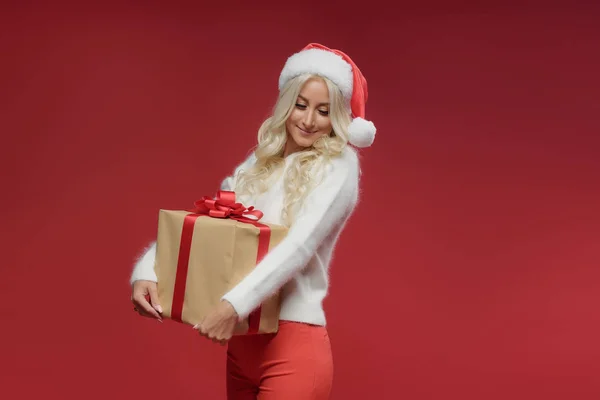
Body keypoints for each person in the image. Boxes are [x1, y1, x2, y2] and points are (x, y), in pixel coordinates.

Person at [130, 43, 377, 399]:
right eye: (301, 105)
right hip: (243, 344)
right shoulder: (259, 165)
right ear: (286, 104)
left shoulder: (338, 167)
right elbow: (210, 224)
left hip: (292, 343)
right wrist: (147, 271)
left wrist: (233, 305)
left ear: (338, 117)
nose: (308, 120)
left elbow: (299, 246)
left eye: (323, 111)